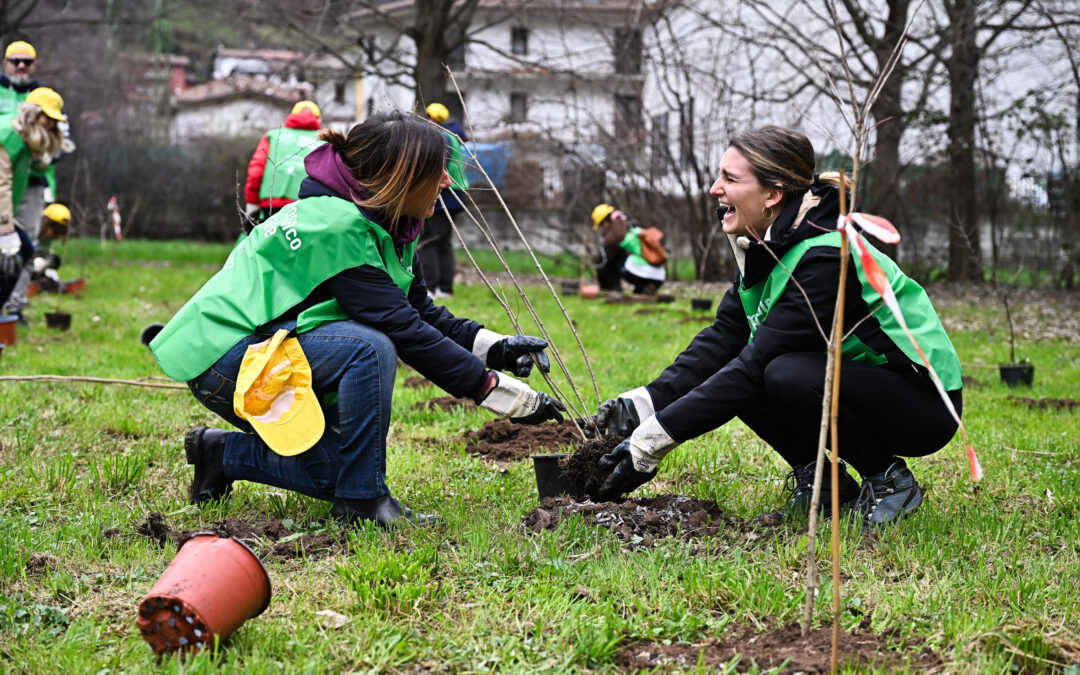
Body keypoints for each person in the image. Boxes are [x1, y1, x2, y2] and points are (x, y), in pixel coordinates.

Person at [150, 111, 565, 528]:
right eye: (436, 171)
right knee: (370, 348)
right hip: (223, 360)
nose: (447, 182)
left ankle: (220, 454)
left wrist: (496, 348)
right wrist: (499, 393)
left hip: (268, 352)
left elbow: (421, 311)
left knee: (338, 471)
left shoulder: (388, 223)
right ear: (401, 176)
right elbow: (404, 329)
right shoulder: (337, 228)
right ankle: (364, 503)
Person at [590, 126, 963, 527]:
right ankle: (825, 486)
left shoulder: (824, 255)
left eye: (730, 179)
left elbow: (754, 367)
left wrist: (651, 442)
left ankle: (890, 482)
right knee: (748, 368)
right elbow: (723, 340)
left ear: (773, 194)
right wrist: (643, 402)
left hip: (922, 401)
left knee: (780, 374)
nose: (716, 189)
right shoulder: (766, 245)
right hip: (859, 385)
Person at [0, 87, 67, 316]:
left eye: (53, 120)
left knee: (25, 249)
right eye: (45, 117)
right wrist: (5, 232)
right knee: (15, 252)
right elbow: (2, 185)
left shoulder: (26, 139)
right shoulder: (8, 135)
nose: (49, 124)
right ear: (31, 112)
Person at [243, 100, 324, 227]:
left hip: (271, 203)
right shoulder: (324, 141)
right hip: (308, 206)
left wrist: (252, 208)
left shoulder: (273, 136)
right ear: (318, 119)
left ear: (292, 115)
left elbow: (255, 172)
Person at [418, 102, 470, 298]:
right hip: (456, 194)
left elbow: (437, 168)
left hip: (443, 194)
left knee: (429, 240)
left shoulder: (439, 137)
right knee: (443, 242)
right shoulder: (452, 135)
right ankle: (445, 287)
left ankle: (430, 288)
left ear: (430, 118)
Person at [591, 203, 666, 295]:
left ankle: (616, 289)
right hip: (660, 275)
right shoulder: (628, 225)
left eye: (600, 226)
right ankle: (643, 288)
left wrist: (603, 285)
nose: (601, 229)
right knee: (625, 258)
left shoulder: (615, 236)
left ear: (605, 223)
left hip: (647, 274)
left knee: (615, 262)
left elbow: (603, 264)